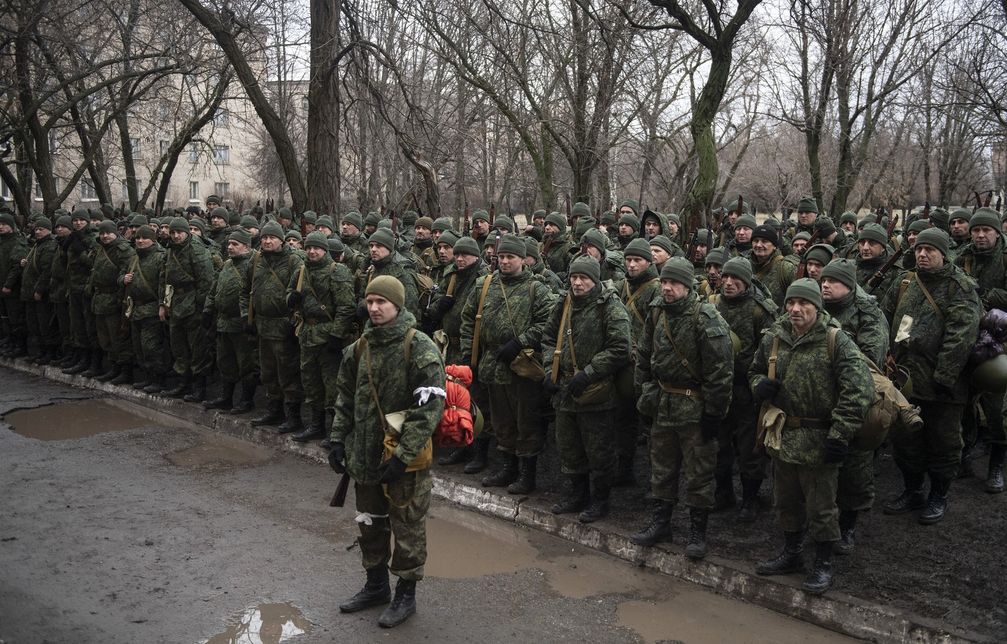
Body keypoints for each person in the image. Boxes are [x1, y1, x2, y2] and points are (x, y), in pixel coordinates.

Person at [329, 275, 445, 629]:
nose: (374, 308)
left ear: (398, 305)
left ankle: (405, 594)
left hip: (403, 460)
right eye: (370, 301)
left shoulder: (419, 347)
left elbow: (429, 410)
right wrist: (337, 439)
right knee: (370, 523)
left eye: (382, 302)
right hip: (363, 456)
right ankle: (376, 585)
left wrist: (402, 456)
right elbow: (345, 398)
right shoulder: (359, 348)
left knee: (407, 525)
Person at [750, 278, 873, 595]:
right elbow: (754, 371)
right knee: (786, 501)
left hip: (820, 440)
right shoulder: (775, 339)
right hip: (783, 436)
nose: (795, 309)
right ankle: (791, 553)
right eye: (790, 303)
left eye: (803, 303)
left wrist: (840, 434)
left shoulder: (836, 341)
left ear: (817, 307)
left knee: (821, 507)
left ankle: (822, 563)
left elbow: (859, 391)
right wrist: (759, 385)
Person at [631, 257, 733, 560]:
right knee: (661, 468)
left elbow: (720, 372)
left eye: (674, 283)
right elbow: (644, 355)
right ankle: (661, 523)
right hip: (662, 403)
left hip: (695, 407)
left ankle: (697, 532)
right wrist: (644, 394)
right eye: (664, 282)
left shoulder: (706, 318)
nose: (667, 288)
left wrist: (714, 414)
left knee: (698, 472)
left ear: (688, 285)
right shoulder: (657, 312)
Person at [882, 228, 981, 523]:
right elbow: (884, 317)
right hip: (904, 379)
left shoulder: (959, 287)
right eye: (919, 250)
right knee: (904, 440)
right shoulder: (905, 282)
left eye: (930, 250)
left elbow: (961, 335)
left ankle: (939, 495)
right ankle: (913, 491)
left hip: (943, 386)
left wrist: (945, 377)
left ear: (944, 253)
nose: (922, 254)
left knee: (944, 442)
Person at [460, 234, 557, 492]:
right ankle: (507, 467)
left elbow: (548, 324)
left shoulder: (537, 289)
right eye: (501, 256)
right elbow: (469, 319)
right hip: (491, 363)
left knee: (525, 419)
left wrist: (521, 341)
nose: (504, 261)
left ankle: (527, 474)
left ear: (523, 259)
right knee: (500, 419)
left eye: (510, 257)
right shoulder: (485, 285)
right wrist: (468, 355)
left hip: (521, 365)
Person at [542, 256, 631, 522]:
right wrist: (550, 370)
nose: (577, 283)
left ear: (595, 279)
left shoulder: (610, 307)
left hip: (596, 392)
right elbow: (548, 337)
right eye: (574, 277)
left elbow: (620, 348)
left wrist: (590, 372)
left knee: (599, 449)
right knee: (569, 446)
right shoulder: (564, 302)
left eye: (584, 278)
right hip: (565, 390)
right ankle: (576, 494)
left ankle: (600, 500)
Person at [820, 259, 890, 554]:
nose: (824, 285)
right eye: (823, 281)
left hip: (855, 398)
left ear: (849, 286)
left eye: (831, 282)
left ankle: (848, 526)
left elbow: (869, 361)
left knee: (855, 469)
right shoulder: (814, 308)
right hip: (819, 400)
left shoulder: (869, 315)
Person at [707, 257, 777, 521]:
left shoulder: (760, 310)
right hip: (718, 387)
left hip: (747, 391)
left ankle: (750, 499)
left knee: (750, 448)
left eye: (734, 278)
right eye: (725, 277)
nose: (727, 282)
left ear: (747, 281)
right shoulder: (711, 306)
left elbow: (772, 350)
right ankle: (723, 493)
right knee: (718, 445)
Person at [285, 231, 357, 442]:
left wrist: (336, 335)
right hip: (307, 334)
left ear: (325, 250)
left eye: (316, 248)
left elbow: (346, 307)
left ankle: (337, 431)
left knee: (333, 385)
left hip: (328, 335)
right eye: (308, 247)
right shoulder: (301, 271)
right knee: (311, 381)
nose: (311, 251)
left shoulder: (337, 271)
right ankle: (316, 425)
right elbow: (288, 293)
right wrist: (292, 298)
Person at [242, 221, 305, 431]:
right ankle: (273, 410)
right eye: (264, 238)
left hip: (284, 326)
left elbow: (300, 293)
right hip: (262, 325)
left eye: (272, 238)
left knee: (287, 372)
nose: (267, 241)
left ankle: (293, 416)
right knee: (268, 371)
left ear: (281, 240)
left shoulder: (294, 260)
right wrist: (247, 317)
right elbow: (245, 291)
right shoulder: (256, 260)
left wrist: (293, 322)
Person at [159, 217, 215, 402]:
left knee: (197, 348)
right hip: (176, 303)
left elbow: (206, 281)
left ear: (187, 232)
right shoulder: (170, 251)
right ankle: (183, 382)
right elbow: (164, 278)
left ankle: (199, 387)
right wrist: (163, 304)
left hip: (192, 303)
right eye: (173, 233)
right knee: (179, 345)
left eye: (179, 232)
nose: (176, 236)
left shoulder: (196, 250)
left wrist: (201, 308)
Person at [203, 228, 258, 412]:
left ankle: (246, 400)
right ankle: (226, 397)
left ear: (247, 246)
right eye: (229, 244)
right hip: (223, 322)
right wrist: (208, 310)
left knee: (246, 364)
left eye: (235, 244)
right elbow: (214, 289)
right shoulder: (226, 265)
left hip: (241, 324)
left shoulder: (254, 264)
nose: (230, 247)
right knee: (225, 362)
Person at [122, 225, 168, 392]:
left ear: (153, 240)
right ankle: (147, 377)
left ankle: (158, 379)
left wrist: (162, 305)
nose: (140, 241)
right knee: (139, 346)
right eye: (137, 238)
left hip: (151, 308)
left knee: (151, 347)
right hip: (136, 308)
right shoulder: (134, 258)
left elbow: (164, 283)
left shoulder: (160, 257)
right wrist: (123, 279)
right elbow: (122, 274)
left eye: (144, 238)